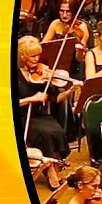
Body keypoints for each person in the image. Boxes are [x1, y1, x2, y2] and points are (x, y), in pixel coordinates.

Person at [17, 36, 76, 183]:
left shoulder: (40, 74)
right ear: (22, 56)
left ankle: (53, 165)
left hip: (38, 114)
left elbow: (55, 99)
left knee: (57, 131)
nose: (37, 59)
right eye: (33, 56)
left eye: (38, 55)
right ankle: (51, 171)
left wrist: (70, 91)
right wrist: (31, 99)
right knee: (45, 133)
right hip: (21, 117)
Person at [41, 0, 92, 78]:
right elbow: (43, 46)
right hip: (55, 62)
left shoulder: (82, 27)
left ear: (74, 11)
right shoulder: (55, 24)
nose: (64, 15)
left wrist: (79, 49)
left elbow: (80, 59)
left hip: (73, 67)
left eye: (68, 11)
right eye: (61, 11)